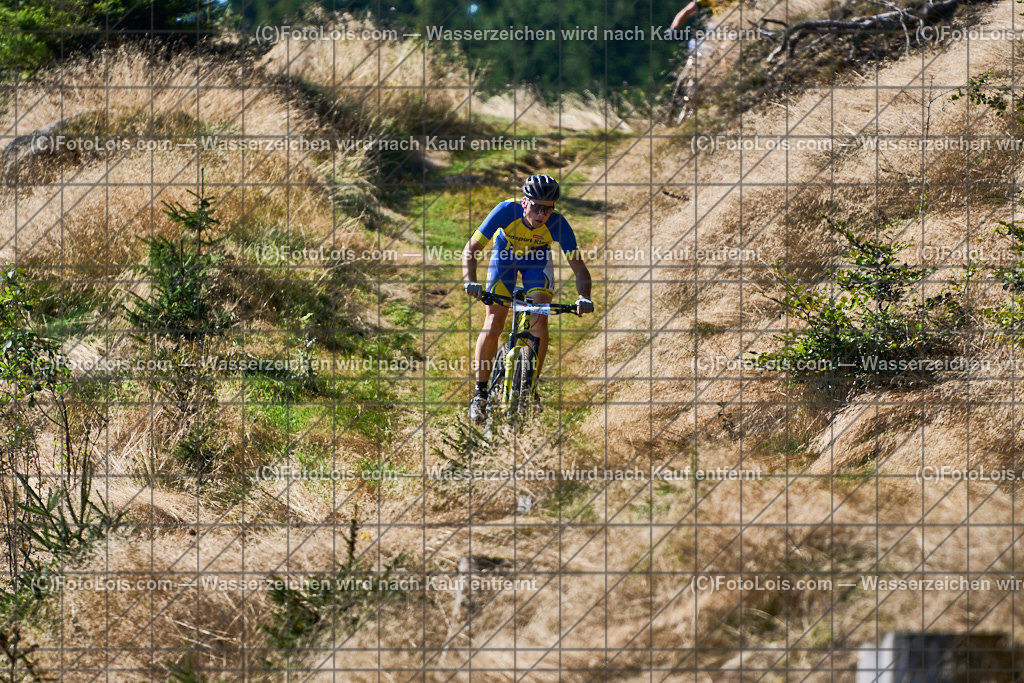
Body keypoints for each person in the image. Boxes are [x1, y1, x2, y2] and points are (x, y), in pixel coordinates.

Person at [462, 174, 594, 423]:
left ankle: (529, 387)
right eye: (536, 206)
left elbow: (579, 267)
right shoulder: (505, 211)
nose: (541, 214)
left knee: (540, 320)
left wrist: (583, 296)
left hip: (537, 262)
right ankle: (480, 395)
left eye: (548, 209)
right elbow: (471, 249)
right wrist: (470, 280)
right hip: (505, 257)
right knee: (493, 323)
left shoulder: (558, 224)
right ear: (524, 202)